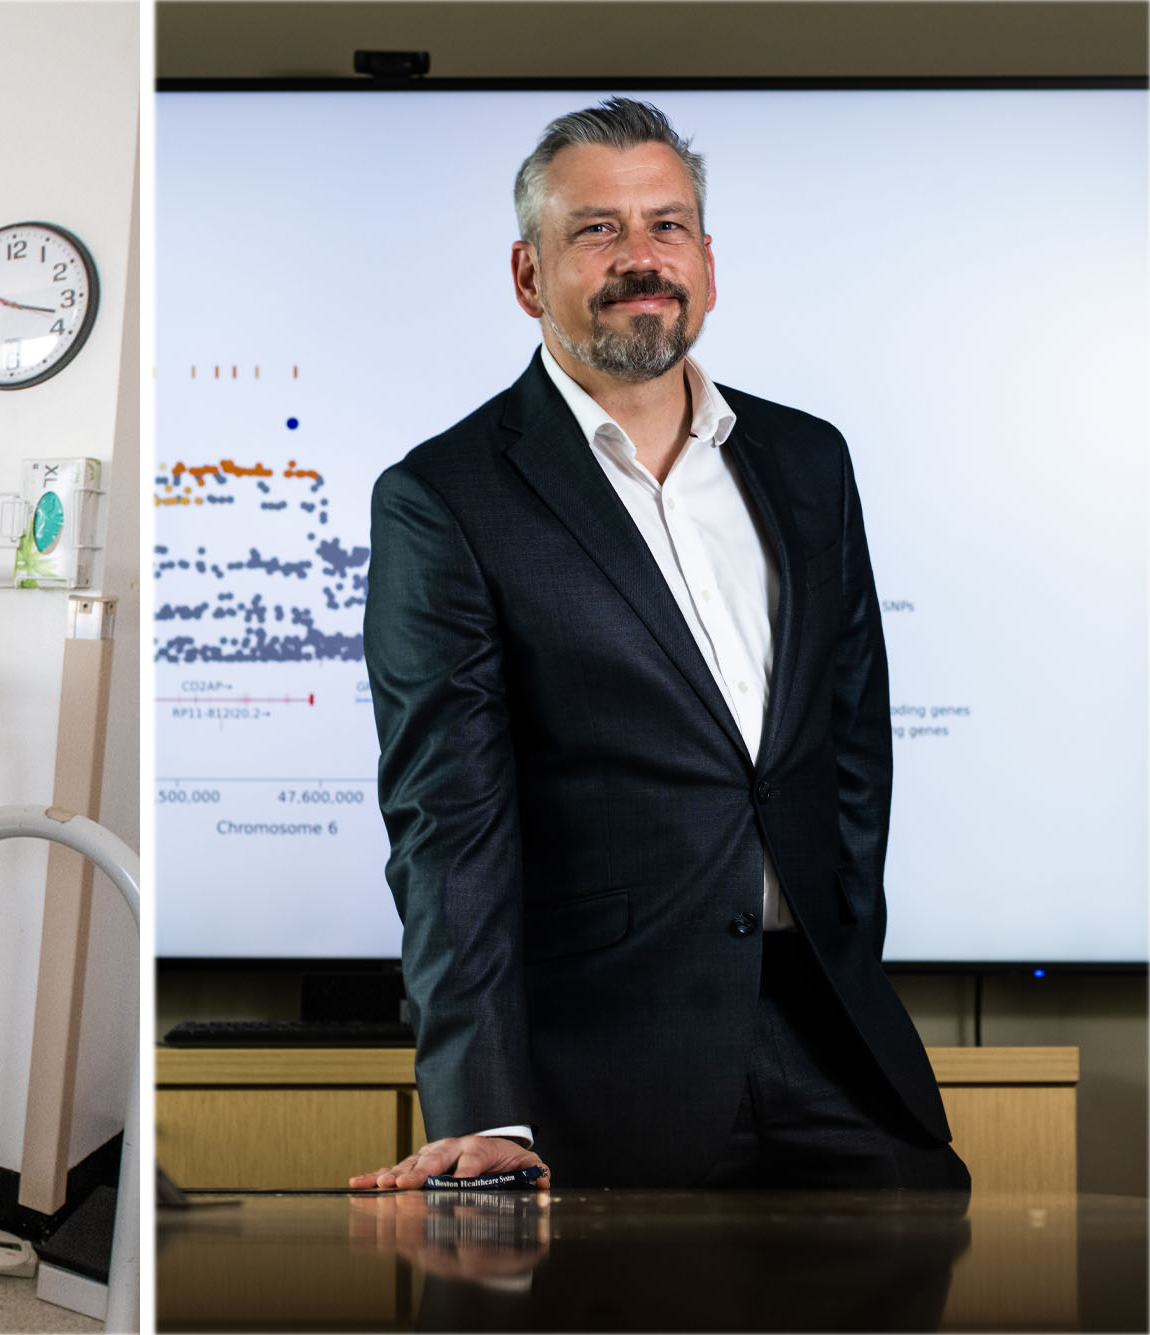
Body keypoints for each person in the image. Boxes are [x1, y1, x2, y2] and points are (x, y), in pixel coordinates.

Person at [351, 98, 966, 1192]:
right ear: (528, 276)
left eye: (666, 225)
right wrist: (486, 1105)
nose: (640, 258)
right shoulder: (444, 499)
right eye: (596, 230)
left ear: (708, 259)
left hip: (834, 1046)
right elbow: (449, 826)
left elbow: (848, 744)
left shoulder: (807, 460)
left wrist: (845, 948)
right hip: (605, 1072)